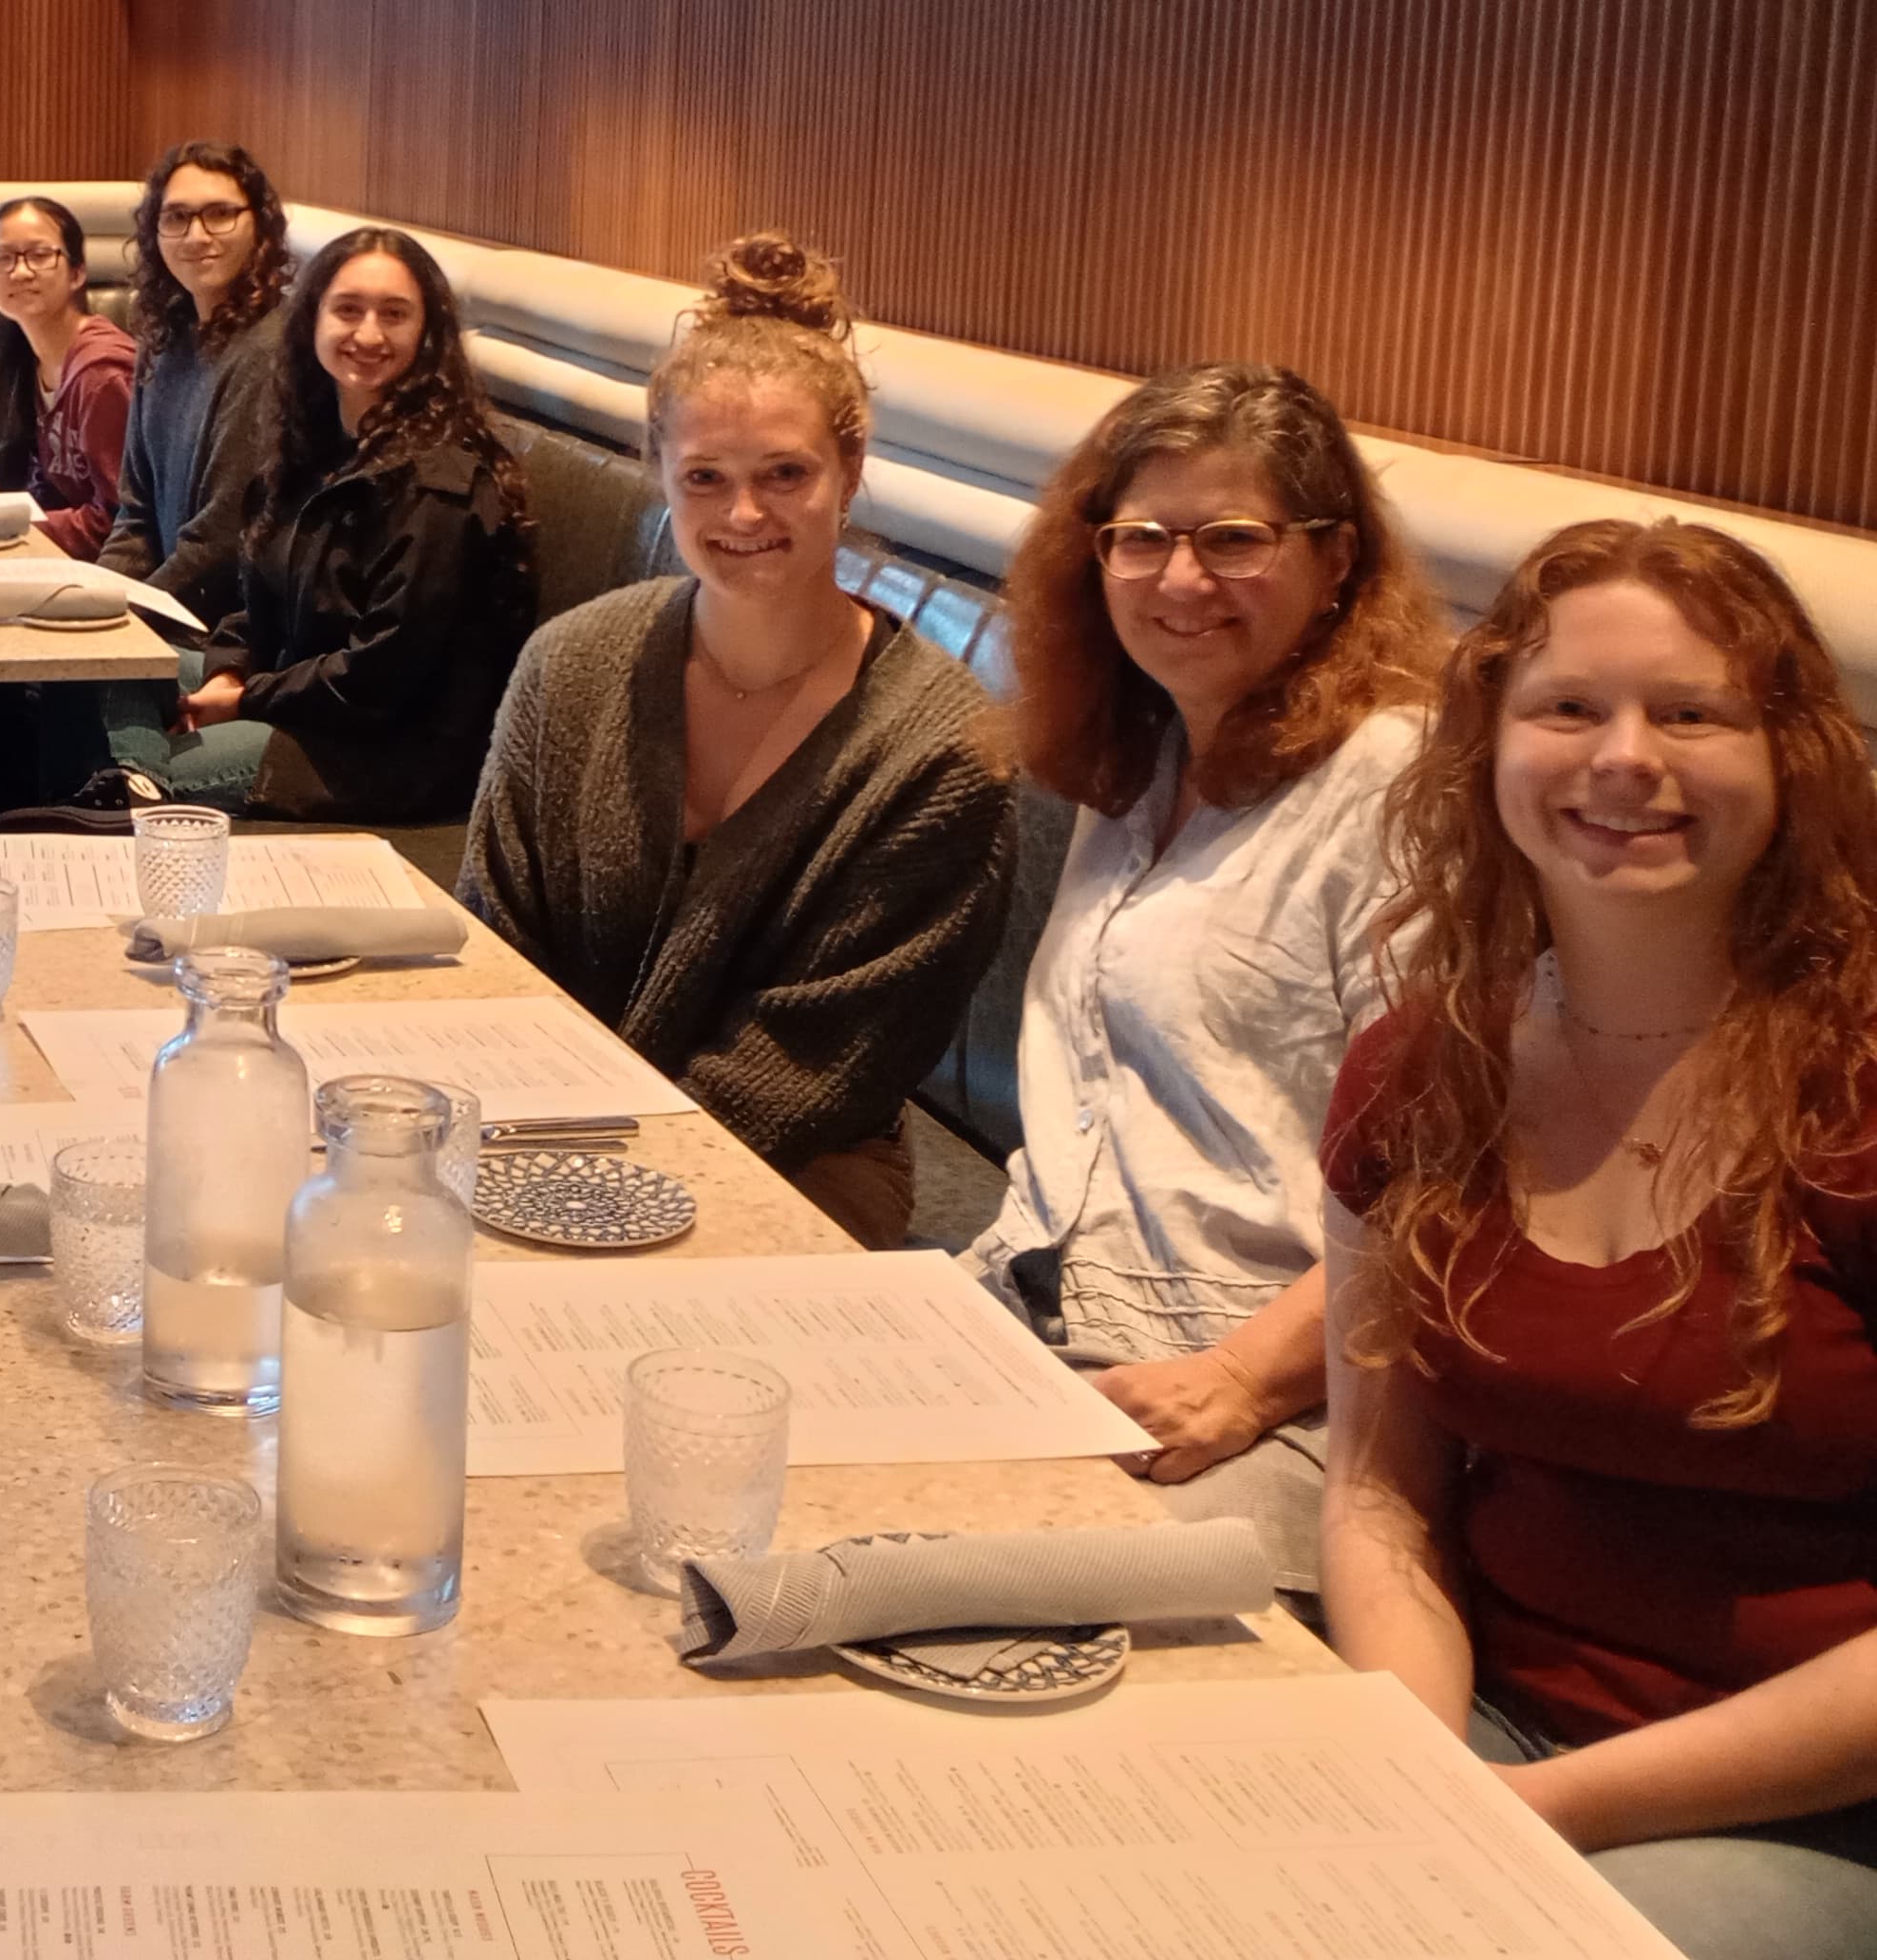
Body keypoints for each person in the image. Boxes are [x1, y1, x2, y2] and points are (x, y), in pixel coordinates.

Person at [1320, 519, 1877, 1960]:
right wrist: (1419, 1770)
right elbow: (1381, 1494)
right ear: (1488, 745)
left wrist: (1537, 1812)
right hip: (1492, 1735)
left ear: (1793, 758)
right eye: (1569, 708)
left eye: (1693, 713)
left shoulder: (1859, 1088)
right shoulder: (1414, 1068)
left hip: (1810, 1803)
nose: (1625, 759)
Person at [959, 364, 1443, 1587]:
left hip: (1256, 1394)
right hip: (1025, 1310)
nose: (1181, 580)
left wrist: (1242, 1378)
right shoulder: (1145, 746)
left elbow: (1451, 1176)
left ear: (1336, 561)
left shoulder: (1395, 786)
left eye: (1234, 539)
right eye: (1142, 539)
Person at [457, 232, 1013, 1249]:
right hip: (539, 1131)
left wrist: (583, 1193)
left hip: (799, 1167)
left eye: (786, 473)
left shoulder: (941, 752)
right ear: (658, 473)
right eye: (706, 476)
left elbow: (812, 1067)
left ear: (851, 471)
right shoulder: (569, 666)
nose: (745, 512)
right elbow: (496, 950)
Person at [113, 225, 534, 823]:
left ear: (428, 333)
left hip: (383, 756)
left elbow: (381, 680)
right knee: (107, 662)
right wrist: (232, 664)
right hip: (297, 701)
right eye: (348, 310)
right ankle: (132, 777)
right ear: (311, 319)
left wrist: (243, 699)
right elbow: (259, 599)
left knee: (112, 756)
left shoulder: (444, 486)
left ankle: (130, 784)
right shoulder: (313, 446)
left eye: (394, 314)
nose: (368, 334)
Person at [94, 142, 292, 608]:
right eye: (176, 217)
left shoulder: (271, 348)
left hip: (229, 634)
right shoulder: (163, 340)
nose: (197, 236)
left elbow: (220, 543)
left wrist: (122, 621)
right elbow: (135, 516)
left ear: (259, 227)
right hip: (165, 611)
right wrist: (95, 605)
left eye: (220, 214)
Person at [0, 194, 136, 556]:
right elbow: (44, 489)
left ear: (77, 272)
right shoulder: (18, 357)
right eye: (3, 257)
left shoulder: (102, 374)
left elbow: (118, 521)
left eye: (39, 255)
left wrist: (0, 519)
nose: (20, 271)